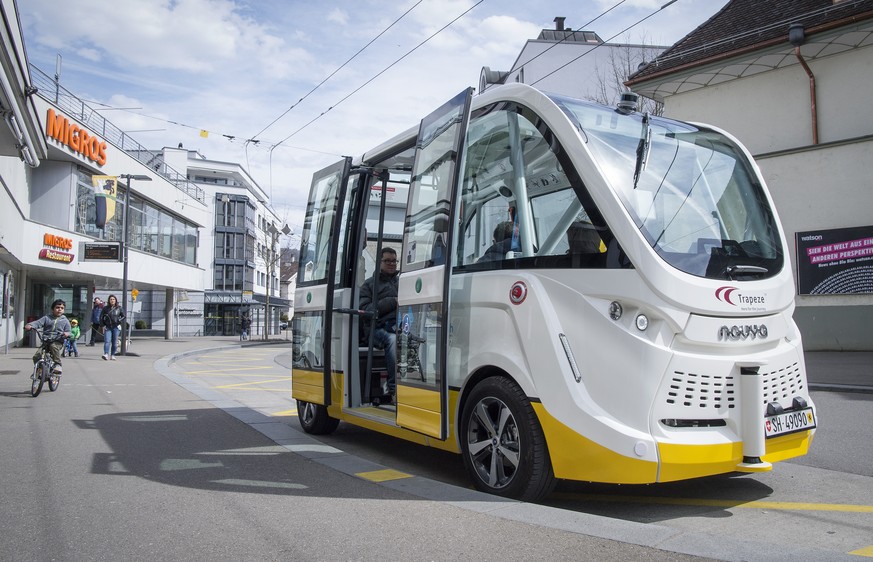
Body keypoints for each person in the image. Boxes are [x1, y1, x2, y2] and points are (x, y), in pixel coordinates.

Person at [359, 247, 399, 398]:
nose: (391, 264)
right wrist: (391, 302)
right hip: (376, 330)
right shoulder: (369, 285)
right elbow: (365, 311)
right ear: (379, 262)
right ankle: (394, 389)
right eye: (387, 260)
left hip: (400, 326)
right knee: (393, 341)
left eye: (394, 261)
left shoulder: (402, 281)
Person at [24, 299, 71, 375]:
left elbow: (69, 331)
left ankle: (57, 364)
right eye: (57, 307)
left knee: (53, 346)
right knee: (36, 356)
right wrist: (30, 325)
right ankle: (39, 371)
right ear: (52, 309)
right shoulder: (47, 318)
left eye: (62, 308)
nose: (59, 309)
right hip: (46, 341)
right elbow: (38, 323)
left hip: (57, 341)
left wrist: (67, 334)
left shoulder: (65, 320)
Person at [100, 294, 125, 361]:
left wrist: (119, 320)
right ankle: (106, 354)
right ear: (109, 300)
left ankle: (113, 355)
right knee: (107, 341)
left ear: (115, 300)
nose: (112, 300)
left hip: (116, 327)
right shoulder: (105, 308)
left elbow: (123, 316)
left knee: (114, 342)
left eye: (113, 299)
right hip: (108, 327)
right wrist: (103, 325)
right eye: (111, 299)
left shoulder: (119, 308)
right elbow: (101, 317)